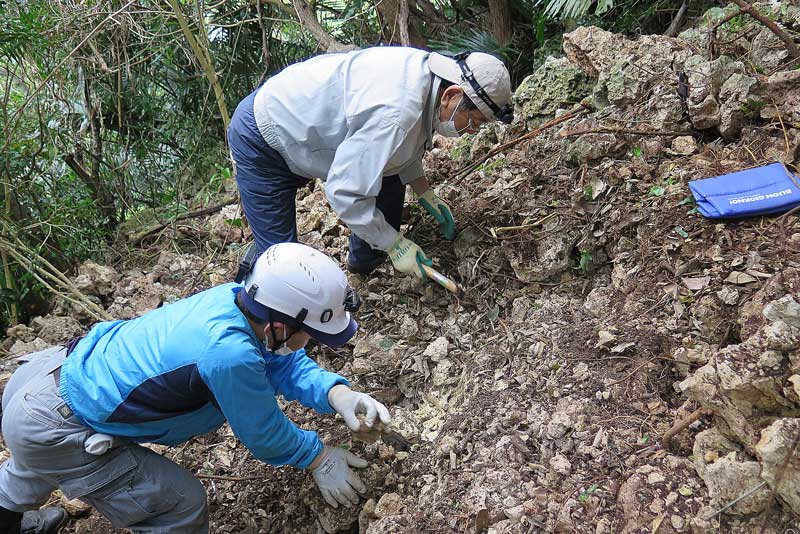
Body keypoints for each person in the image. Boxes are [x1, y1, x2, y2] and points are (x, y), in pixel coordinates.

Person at [0, 243, 390, 534]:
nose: (313, 342)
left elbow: (278, 361)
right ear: (281, 326)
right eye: (312, 334)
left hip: (44, 383)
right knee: (181, 506)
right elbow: (264, 434)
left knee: (33, 461)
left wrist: (338, 394)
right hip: (56, 424)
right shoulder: (229, 355)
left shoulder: (235, 301)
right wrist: (317, 456)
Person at [228, 47, 512, 281]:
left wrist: (425, 192)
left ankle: (366, 260)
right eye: (474, 121)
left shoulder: (430, 79)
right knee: (280, 262)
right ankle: (264, 326)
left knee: (389, 177)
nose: (471, 131)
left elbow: (403, 149)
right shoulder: (395, 113)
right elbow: (344, 193)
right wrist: (395, 244)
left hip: (312, 136)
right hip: (265, 139)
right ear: (452, 95)